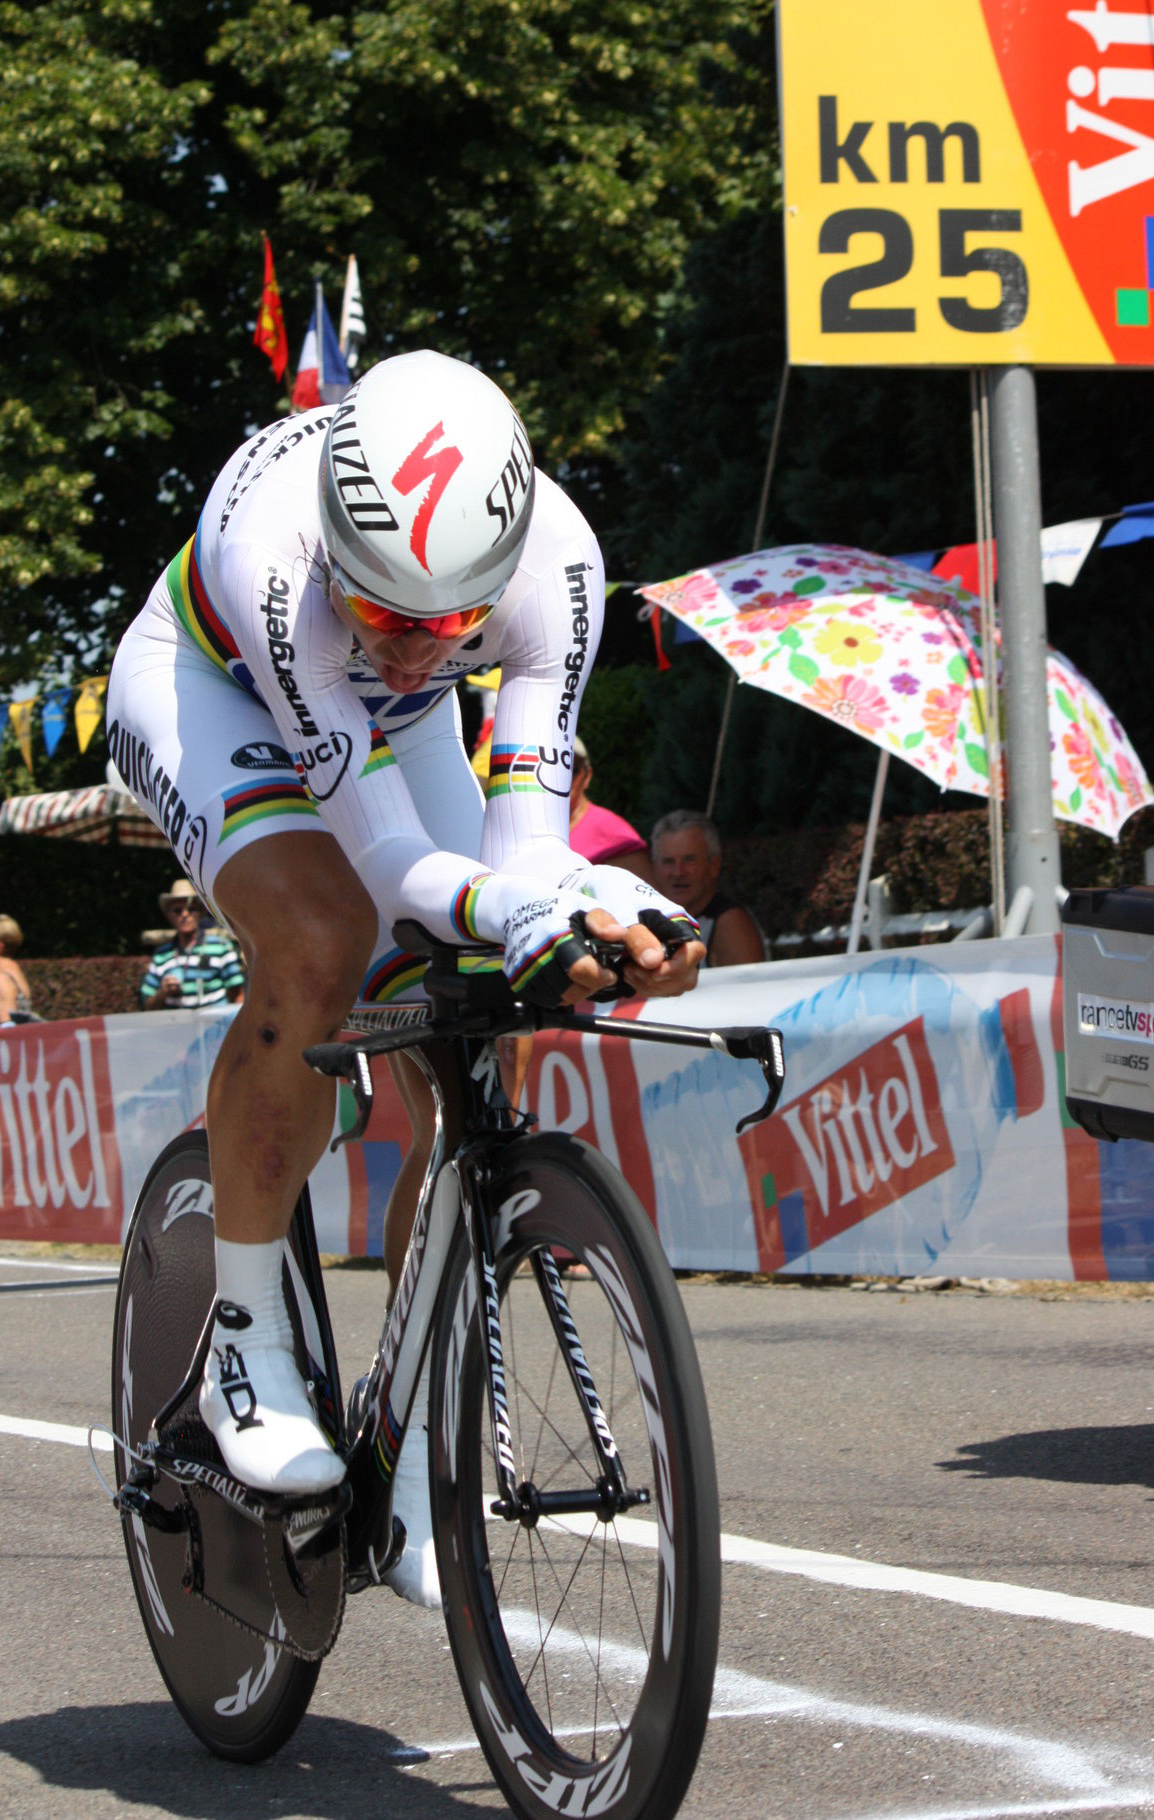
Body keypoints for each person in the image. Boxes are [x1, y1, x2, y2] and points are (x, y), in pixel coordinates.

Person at [106, 350, 703, 1602]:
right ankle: (244, 1337)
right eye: (379, 611)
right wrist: (510, 899)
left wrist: (598, 897)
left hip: (386, 724)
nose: (410, 642)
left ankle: (418, 1439)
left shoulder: (561, 562)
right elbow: (387, 858)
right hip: (208, 685)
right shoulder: (278, 561)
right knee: (321, 938)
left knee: (485, 1010)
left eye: (443, 628)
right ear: (334, 551)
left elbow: (525, 843)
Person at [650, 810, 767, 968]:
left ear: (714, 865)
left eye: (689, 860)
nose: (678, 872)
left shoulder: (729, 923)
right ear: (654, 867)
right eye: (668, 862)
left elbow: (749, 990)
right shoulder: (649, 921)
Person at [139, 879, 247, 1010]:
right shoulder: (162, 955)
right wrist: (163, 992)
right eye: (178, 911)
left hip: (217, 1027)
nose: (185, 915)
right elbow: (148, 1006)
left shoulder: (221, 948)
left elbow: (238, 997)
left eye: (191, 909)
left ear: (201, 913)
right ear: (169, 915)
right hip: (176, 1027)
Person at [568, 737, 654, 882]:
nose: (561, 777)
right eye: (552, 768)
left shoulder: (615, 834)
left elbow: (646, 899)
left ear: (587, 777)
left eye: (572, 769)